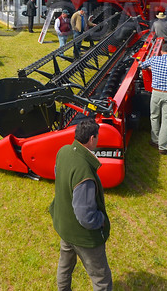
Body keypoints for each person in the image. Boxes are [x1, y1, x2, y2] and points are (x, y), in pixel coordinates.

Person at [49, 118, 112, 291]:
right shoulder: (84, 172)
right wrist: (101, 219)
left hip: (64, 226)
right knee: (102, 279)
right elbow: (85, 217)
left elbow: (59, 174)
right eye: (97, 137)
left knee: (64, 267)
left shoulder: (64, 151)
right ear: (92, 139)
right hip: (83, 235)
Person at [138, 42, 167, 154]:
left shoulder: (155, 60)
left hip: (156, 93)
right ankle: (162, 147)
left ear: (162, 51)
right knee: (166, 121)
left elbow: (142, 65)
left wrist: (151, 69)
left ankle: (155, 140)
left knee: (154, 116)